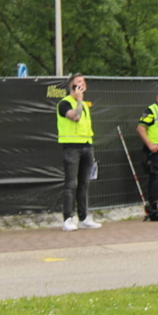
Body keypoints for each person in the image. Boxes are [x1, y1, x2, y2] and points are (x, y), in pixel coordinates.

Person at [56, 73, 101, 231]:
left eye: (83, 82)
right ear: (71, 87)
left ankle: (83, 217)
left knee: (84, 183)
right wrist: (79, 99)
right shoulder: (65, 103)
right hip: (71, 147)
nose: (82, 85)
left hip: (87, 145)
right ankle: (68, 218)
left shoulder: (85, 106)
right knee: (71, 184)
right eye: (78, 83)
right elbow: (75, 117)